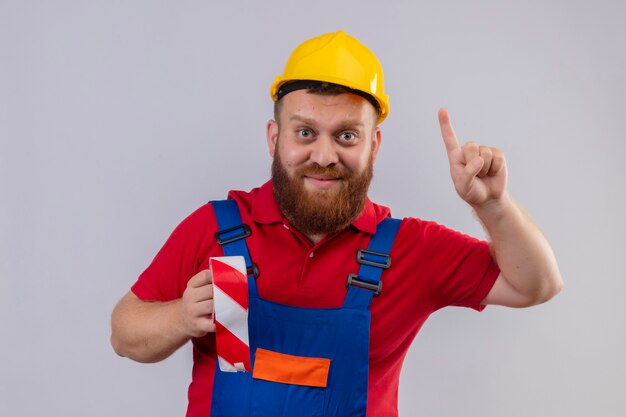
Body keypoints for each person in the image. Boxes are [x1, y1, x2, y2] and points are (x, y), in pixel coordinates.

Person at [110, 30, 562, 417]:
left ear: (374, 145)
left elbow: (535, 285)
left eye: (346, 135)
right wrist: (181, 317)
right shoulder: (217, 228)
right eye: (305, 132)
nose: (324, 157)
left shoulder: (410, 248)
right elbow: (124, 334)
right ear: (274, 138)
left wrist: (494, 204)